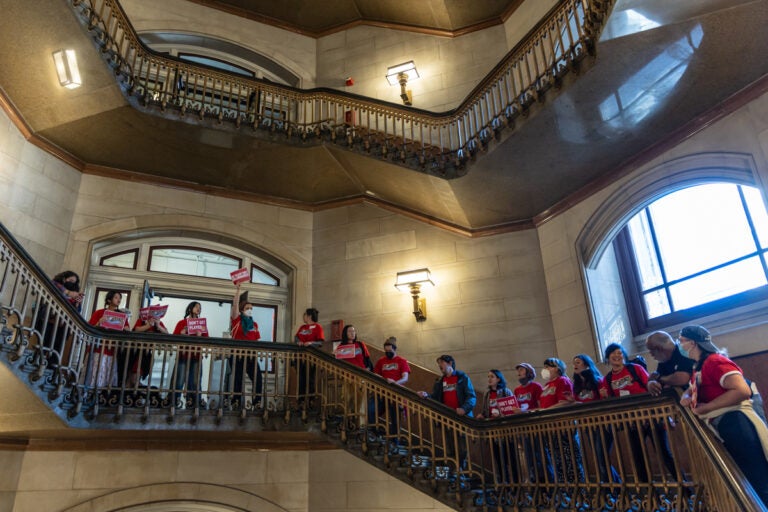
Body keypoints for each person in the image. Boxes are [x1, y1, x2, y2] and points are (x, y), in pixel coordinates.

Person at [678, 325, 768, 507]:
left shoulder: (715, 361)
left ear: (693, 343)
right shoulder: (699, 366)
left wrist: (707, 407)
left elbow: (741, 390)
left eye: (681, 341)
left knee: (757, 478)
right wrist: (686, 396)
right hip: (725, 424)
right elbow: (693, 388)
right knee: (746, 478)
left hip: (736, 423)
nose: (680, 345)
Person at [600, 342, 676, 482]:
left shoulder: (635, 368)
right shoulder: (608, 379)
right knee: (637, 457)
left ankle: (686, 489)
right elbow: (613, 401)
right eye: (613, 353)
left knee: (664, 453)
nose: (617, 355)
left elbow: (650, 386)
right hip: (631, 421)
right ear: (608, 358)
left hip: (651, 417)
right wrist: (605, 396)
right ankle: (648, 493)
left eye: (620, 352)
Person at [418, 355, 476, 474]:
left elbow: (471, 396)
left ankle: (460, 469)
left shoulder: (462, 378)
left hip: (460, 418)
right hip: (446, 418)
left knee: (462, 447)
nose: (439, 366)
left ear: (450, 363)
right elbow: (435, 397)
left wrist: (464, 409)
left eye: (442, 363)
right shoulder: (440, 381)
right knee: (449, 446)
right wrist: (426, 395)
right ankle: (453, 469)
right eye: (438, 364)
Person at [573, 354, 620, 484]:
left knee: (602, 458)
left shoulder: (598, 380)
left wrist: (604, 396)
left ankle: (613, 489)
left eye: (578, 362)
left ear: (586, 365)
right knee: (599, 459)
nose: (575, 365)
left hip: (602, 423)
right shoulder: (577, 386)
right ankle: (615, 487)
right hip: (588, 424)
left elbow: (605, 399)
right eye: (574, 363)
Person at [540, 357, 583, 483]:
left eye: (548, 366)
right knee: (556, 459)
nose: (545, 369)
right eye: (545, 367)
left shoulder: (563, 381)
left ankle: (577, 489)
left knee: (569, 459)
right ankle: (565, 489)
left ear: (557, 368)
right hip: (550, 427)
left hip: (564, 425)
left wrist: (546, 410)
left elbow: (565, 402)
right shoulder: (546, 385)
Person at [477, 369, 518, 484]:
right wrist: (482, 416)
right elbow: (485, 411)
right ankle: (504, 484)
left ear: (498, 379)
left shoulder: (506, 391)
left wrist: (501, 415)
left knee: (511, 458)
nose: (489, 379)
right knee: (499, 460)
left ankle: (515, 484)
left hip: (506, 431)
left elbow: (512, 410)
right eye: (488, 376)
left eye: (492, 377)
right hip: (493, 431)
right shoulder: (487, 394)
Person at [87, 291, 130, 390]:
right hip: (98, 347)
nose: (118, 300)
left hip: (112, 348)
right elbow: (90, 327)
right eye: (116, 297)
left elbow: (128, 329)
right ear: (109, 299)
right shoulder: (99, 312)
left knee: (108, 373)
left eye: (120, 298)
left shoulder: (122, 315)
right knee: (95, 372)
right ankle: (90, 393)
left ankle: (103, 395)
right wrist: (99, 322)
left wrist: (125, 327)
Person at [373, 337, 410, 450]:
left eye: (390, 351)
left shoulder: (401, 361)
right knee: (373, 412)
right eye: (386, 351)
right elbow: (376, 375)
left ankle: (395, 441)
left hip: (396, 394)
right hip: (382, 393)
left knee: (395, 419)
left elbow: (405, 378)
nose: (388, 353)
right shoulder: (381, 361)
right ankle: (375, 433)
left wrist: (394, 383)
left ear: (394, 349)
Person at [229, 284, 263, 409]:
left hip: (251, 354)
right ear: (242, 309)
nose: (250, 309)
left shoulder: (255, 324)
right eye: (248, 307)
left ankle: (257, 401)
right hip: (238, 353)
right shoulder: (237, 320)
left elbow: (257, 340)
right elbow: (235, 306)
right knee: (238, 378)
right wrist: (238, 291)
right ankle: (236, 400)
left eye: (251, 308)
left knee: (258, 378)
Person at [513, 362, 545, 482]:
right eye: (518, 371)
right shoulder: (517, 390)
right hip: (523, 427)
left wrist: (526, 412)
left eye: (521, 370)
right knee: (527, 455)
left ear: (528, 372)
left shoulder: (536, 387)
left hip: (535, 425)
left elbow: (540, 406)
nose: (519, 373)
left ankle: (543, 480)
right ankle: (533, 479)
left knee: (539, 454)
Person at [172, 301, 207, 409]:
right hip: (183, 355)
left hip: (196, 356)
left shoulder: (202, 325)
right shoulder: (182, 323)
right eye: (196, 307)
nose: (198, 309)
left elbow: (207, 339)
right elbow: (173, 337)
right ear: (190, 308)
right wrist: (181, 333)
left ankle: (193, 404)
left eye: (200, 308)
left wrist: (200, 335)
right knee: (179, 380)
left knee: (196, 382)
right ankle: (173, 403)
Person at [645, 330, 693, 396]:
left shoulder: (683, 352)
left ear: (659, 348)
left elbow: (681, 379)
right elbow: (656, 378)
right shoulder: (663, 360)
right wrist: (651, 383)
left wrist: (659, 378)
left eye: (651, 350)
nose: (650, 354)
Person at [294, 307, 324, 403]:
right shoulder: (302, 327)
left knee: (310, 379)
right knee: (301, 379)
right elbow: (296, 337)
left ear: (309, 316)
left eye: (305, 315)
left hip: (311, 357)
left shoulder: (317, 327)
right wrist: (298, 342)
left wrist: (311, 343)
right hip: (300, 357)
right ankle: (301, 401)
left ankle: (311, 401)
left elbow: (320, 342)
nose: (304, 317)